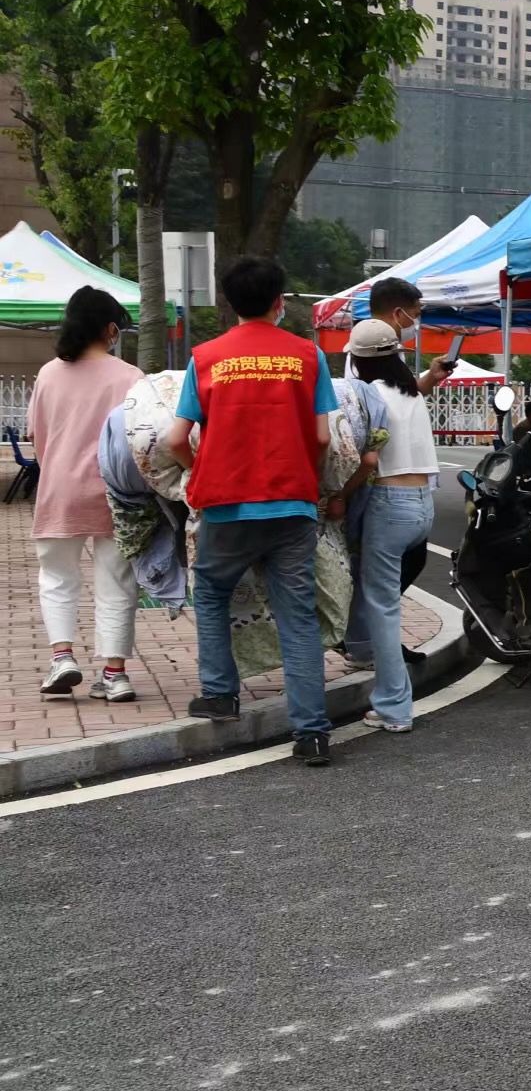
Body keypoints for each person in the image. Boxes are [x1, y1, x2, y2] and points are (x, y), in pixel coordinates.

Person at [165, 257, 338, 765]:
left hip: (226, 505)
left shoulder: (205, 358)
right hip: (293, 503)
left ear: (229, 304)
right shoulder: (307, 356)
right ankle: (311, 733)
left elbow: (175, 438)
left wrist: (199, 470)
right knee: (297, 617)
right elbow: (324, 435)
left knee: (214, 591)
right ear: (280, 302)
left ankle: (220, 693)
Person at [29, 287, 143, 702]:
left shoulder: (47, 374)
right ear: (110, 329)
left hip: (59, 490)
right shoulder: (130, 377)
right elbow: (139, 441)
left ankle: (62, 657)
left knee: (57, 578)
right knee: (116, 581)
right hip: (115, 493)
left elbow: (39, 439)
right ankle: (114, 674)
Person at [341, 319, 437, 732]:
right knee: (372, 591)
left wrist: (339, 497)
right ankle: (360, 647)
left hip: (388, 501)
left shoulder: (365, 394)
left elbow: (366, 459)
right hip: (423, 506)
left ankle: (394, 708)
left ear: (357, 360)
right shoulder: (412, 392)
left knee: (383, 606)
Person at [352, 277, 457, 393]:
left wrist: (432, 376)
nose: (417, 321)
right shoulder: (364, 352)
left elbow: (407, 393)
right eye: (415, 315)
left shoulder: (394, 348)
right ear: (398, 314)